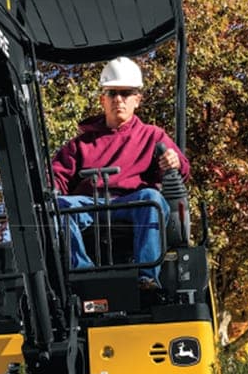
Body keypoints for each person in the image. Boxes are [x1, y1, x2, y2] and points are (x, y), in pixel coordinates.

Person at [51, 57, 189, 289]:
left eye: (125, 94)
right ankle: (82, 273)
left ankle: (146, 277)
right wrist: (49, 187)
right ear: (102, 100)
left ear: (137, 99)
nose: (118, 100)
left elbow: (182, 169)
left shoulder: (153, 135)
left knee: (152, 199)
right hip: (91, 203)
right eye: (112, 93)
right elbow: (57, 177)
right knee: (59, 206)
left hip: (131, 202)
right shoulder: (80, 144)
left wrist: (173, 162)